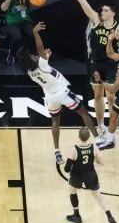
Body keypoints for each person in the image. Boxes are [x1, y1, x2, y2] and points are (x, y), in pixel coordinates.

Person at [63, 0, 119, 145]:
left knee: (111, 96)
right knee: (97, 95)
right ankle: (101, 126)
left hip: (111, 64)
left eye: (106, 10)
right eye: (102, 9)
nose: (102, 11)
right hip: (95, 63)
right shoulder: (95, 20)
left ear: (113, 13)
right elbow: (83, 1)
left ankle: (111, 131)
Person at [20, 22, 98, 165]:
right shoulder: (41, 64)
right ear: (34, 61)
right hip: (62, 93)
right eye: (33, 57)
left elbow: (42, 64)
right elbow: (40, 48)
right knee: (84, 113)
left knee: (55, 121)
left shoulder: (30, 72)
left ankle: (57, 151)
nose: (35, 56)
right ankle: (99, 141)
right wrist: (35, 32)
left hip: (50, 97)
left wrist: (46, 58)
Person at [63, 128, 119, 223]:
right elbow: (101, 161)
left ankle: (77, 215)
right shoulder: (94, 147)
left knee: (72, 190)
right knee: (99, 197)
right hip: (90, 175)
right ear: (89, 137)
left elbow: (67, 169)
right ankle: (110, 217)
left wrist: (70, 164)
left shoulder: (74, 149)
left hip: (77, 176)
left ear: (79, 137)